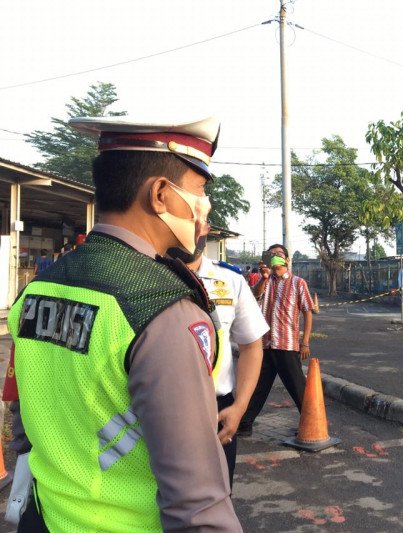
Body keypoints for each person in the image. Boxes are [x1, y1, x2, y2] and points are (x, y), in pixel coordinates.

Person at [7, 116, 242, 531]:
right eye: (200, 190)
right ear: (160, 194)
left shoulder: (37, 290)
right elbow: (197, 506)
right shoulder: (162, 310)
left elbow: (26, 419)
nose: (205, 206)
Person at [172, 222, 268, 488]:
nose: (194, 230)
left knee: (218, 495)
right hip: (162, 407)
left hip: (218, 409)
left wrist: (239, 407)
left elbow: (251, 345)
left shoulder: (230, 280)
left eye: (200, 223)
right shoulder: (143, 274)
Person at [238, 244, 314, 436]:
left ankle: (312, 424)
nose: (275, 257)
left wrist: (305, 342)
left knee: (298, 388)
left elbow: (308, 312)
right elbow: (255, 295)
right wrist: (263, 278)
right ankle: (245, 424)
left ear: (287, 260)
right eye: (272, 254)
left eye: (279, 254)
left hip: (287, 344)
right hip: (266, 344)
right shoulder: (267, 281)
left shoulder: (298, 283)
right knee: (258, 387)